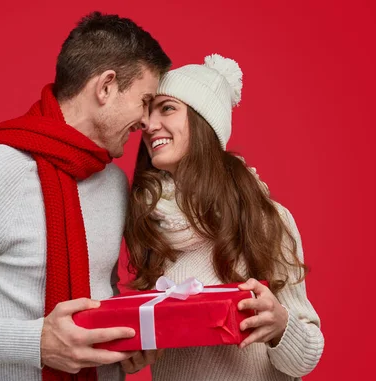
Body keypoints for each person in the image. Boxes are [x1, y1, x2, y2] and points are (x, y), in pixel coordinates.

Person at [0, 11, 171, 381]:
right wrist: (35, 342)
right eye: (144, 100)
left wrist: (123, 343)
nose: (147, 122)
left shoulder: (114, 183)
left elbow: (96, 291)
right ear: (106, 87)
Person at [123, 54, 324, 380]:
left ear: (204, 122)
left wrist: (280, 326)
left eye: (167, 108)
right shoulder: (149, 220)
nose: (148, 124)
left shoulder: (262, 219)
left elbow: (306, 356)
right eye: (147, 112)